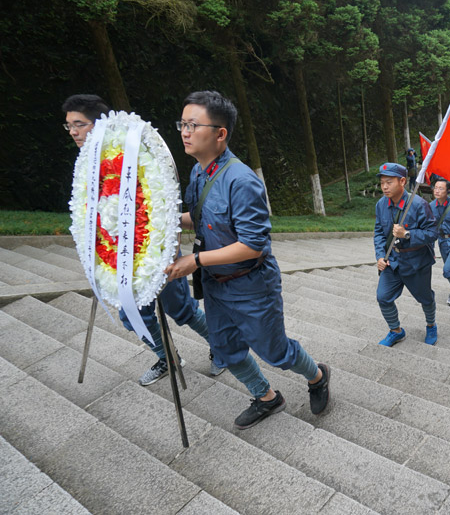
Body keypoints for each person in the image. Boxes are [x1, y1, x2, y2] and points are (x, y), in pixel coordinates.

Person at [165, 91, 329, 429]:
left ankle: (317, 376)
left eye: (193, 125)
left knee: (275, 351)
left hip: (251, 284)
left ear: (220, 134)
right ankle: (266, 397)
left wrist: (194, 261)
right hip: (215, 283)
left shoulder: (241, 181)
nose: (184, 131)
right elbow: (203, 218)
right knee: (224, 347)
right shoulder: (199, 173)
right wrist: (165, 218)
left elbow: (253, 245)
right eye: (182, 123)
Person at [62, 94, 224, 386]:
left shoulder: (129, 154)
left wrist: (163, 249)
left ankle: (222, 348)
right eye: (69, 126)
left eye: (78, 124)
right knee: (130, 316)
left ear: (98, 124)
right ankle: (168, 357)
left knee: (181, 310)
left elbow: (158, 199)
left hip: (152, 251)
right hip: (118, 258)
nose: (73, 131)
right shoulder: (87, 165)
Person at [372, 162, 438, 346]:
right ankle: (396, 330)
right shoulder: (381, 205)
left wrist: (407, 234)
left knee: (425, 298)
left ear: (402, 181)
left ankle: (431, 324)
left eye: (389, 182)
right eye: (382, 183)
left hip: (416, 262)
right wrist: (379, 255)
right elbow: (378, 232)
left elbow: (433, 233)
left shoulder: (418, 205)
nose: (384, 187)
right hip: (392, 261)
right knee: (383, 297)